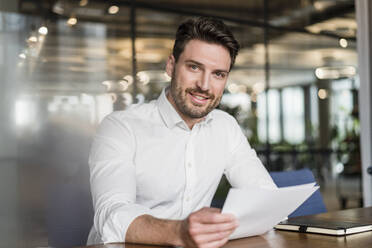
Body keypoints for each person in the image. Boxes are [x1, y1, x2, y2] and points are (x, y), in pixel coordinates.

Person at [87, 17, 277, 247]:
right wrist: (179, 232)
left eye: (218, 74)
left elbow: (264, 196)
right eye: (194, 67)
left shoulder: (225, 126)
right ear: (171, 66)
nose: (205, 86)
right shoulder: (120, 127)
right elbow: (111, 215)